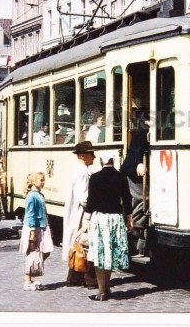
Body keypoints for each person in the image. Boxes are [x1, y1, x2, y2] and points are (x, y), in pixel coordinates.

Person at [80, 154, 133, 301]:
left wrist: (85, 222)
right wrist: (129, 218)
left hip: (100, 219)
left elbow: (90, 202)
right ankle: (107, 288)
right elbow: (127, 199)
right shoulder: (121, 177)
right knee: (109, 254)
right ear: (113, 161)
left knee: (100, 254)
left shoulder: (95, 177)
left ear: (101, 161)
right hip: (116, 219)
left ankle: (102, 291)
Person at [62, 141, 97, 288]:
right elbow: (84, 197)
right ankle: (89, 279)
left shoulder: (78, 170)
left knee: (77, 243)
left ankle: (74, 277)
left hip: (76, 211)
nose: (94, 157)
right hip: (80, 213)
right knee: (84, 243)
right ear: (83, 155)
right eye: (91, 154)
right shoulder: (83, 172)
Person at [120, 111, 150, 257]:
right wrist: (139, 163)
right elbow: (137, 147)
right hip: (133, 172)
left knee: (144, 200)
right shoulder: (143, 130)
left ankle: (137, 236)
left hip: (137, 173)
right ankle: (133, 234)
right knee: (139, 200)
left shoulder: (149, 130)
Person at [19, 172, 53, 291]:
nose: (43, 182)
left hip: (42, 226)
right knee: (33, 253)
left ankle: (29, 275)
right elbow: (30, 214)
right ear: (33, 181)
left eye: (44, 180)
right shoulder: (32, 196)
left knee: (45, 251)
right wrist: (32, 231)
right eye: (41, 180)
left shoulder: (39, 194)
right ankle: (28, 279)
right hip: (34, 228)